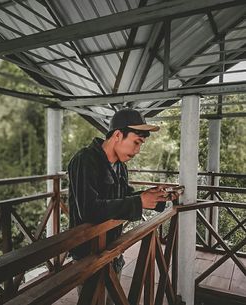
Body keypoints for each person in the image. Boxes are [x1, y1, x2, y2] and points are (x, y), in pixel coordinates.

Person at [68, 108, 179, 304]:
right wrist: (138, 202)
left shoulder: (120, 165)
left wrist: (154, 198)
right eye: (136, 142)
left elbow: (124, 197)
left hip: (113, 251)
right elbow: (89, 210)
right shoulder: (85, 160)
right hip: (88, 256)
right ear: (117, 135)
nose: (138, 150)